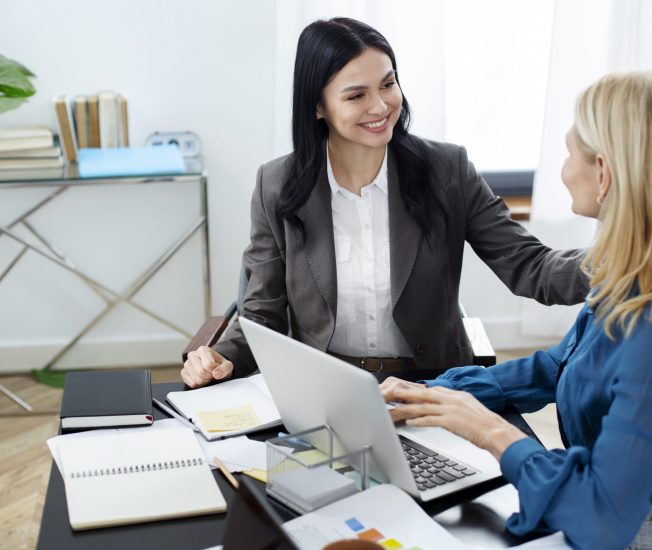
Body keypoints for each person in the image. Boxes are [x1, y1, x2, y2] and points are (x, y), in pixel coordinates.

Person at [382, 71, 652, 549]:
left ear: (604, 173)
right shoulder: (632, 275)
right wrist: (436, 394)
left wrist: (487, 430)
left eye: (570, 154)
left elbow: (603, 515)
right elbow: (560, 365)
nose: (565, 170)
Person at [181, 17, 588, 389]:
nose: (380, 106)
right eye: (356, 95)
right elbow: (262, 314)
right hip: (326, 387)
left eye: (388, 84)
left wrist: (624, 260)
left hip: (433, 384)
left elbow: (530, 266)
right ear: (318, 106)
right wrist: (220, 358)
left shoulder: (447, 171)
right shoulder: (277, 184)